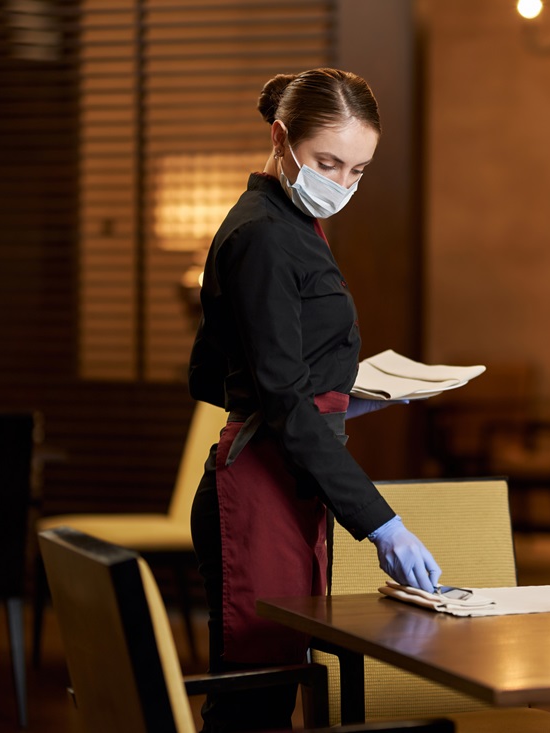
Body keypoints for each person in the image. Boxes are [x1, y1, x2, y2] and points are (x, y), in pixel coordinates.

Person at [188, 67, 441, 732]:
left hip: (285, 474)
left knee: (270, 685)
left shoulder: (290, 222)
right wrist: (382, 522)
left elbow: (218, 371)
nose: (343, 184)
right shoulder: (266, 235)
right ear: (282, 138)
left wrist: (340, 399)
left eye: (359, 171)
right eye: (330, 163)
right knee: (255, 698)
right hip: (258, 486)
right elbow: (273, 390)